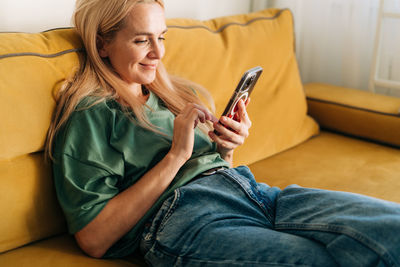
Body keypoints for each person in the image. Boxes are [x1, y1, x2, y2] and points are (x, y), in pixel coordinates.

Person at [46, 0, 400, 266]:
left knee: (391, 227)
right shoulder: (91, 113)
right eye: (142, 40)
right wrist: (176, 156)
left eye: (161, 37)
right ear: (102, 44)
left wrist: (226, 148)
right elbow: (93, 238)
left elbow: (213, 166)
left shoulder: (171, 94)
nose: (158, 53)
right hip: (185, 219)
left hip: (253, 193)